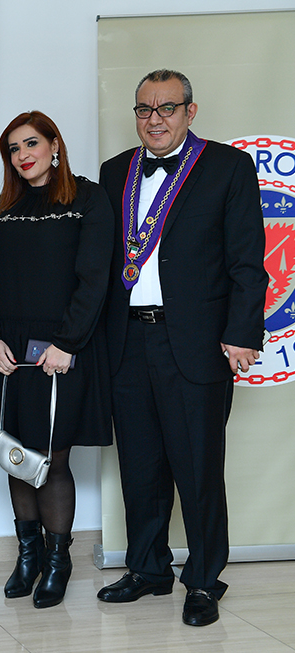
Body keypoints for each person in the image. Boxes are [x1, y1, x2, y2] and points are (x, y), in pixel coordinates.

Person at [97, 69, 267, 626]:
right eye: (144, 109)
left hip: (195, 342)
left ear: (190, 112)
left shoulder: (228, 167)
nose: (155, 119)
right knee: (139, 464)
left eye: (166, 108)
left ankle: (203, 579)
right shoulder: (115, 171)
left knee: (197, 467)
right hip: (127, 340)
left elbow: (247, 261)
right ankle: (148, 569)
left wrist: (242, 332)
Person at [0, 111, 114, 609]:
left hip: (63, 348)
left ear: (55, 145)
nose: (22, 155)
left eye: (31, 143)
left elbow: (95, 278)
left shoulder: (88, 199)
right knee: (16, 455)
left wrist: (68, 343)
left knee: (52, 458)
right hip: (7, 350)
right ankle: (27, 557)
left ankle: (57, 561)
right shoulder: (2, 207)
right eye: (13, 148)